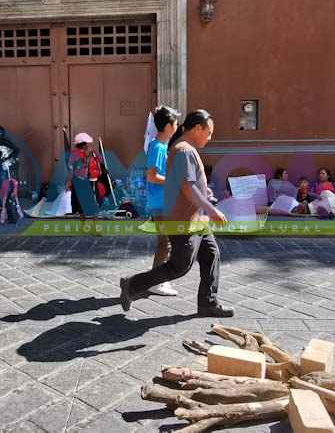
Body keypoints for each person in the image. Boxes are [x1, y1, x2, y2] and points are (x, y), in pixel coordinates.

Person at [119, 109, 234, 318]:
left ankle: (208, 303)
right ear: (197, 128)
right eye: (208, 132)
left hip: (197, 219)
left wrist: (204, 191)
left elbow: (190, 183)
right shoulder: (182, 150)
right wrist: (211, 208)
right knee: (179, 266)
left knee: (211, 254)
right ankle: (131, 284)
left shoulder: (185, 148)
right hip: (183, 220)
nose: (210, 137)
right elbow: (188, 187)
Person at [145, 106, 180, 297]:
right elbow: (151, 176)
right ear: (167, 126)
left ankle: (158, 279)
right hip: (160, 203)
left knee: (165, 242)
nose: (177, 126)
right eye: (175, 123)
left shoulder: (158, 145)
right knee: (164, 243)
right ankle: (156, 281)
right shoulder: (158, 147)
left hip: (161, 202)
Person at [68, 133, 102, 216]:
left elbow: (99, 162)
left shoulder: (79, 154)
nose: (90, 146)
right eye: (88, 144)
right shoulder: (78, 155)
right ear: (83, 145)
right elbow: (80, 168)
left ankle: (78, 213)